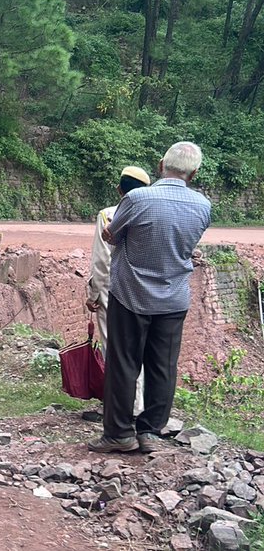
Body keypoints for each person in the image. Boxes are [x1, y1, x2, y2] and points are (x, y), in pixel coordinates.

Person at [88, 142, 211, 454]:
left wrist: (111, 235)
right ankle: (150, 433)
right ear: (193, 173)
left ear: (160, 165)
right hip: (173, 299)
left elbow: (114, 235)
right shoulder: (202, 206)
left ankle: (119, 434)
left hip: (130, 294)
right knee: (163, 366)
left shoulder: (137, 198)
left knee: (124, 363)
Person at [84, 166, 151, 419]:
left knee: (113, 348)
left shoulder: (108, 215)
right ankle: (139, 405)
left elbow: (101, 263)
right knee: (140, 349)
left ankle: (120, 408)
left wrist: (93, 296)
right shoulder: (151, 213)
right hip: (144, 293)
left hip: (113, 292)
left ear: (119, 188)